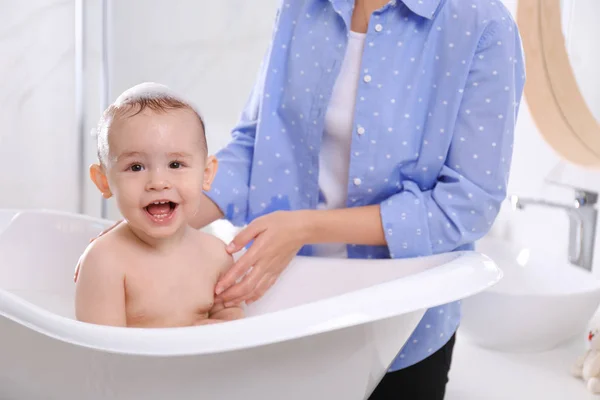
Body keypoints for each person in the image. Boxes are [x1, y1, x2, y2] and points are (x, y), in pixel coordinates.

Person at [79, 0, 525, 397]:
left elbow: (467, 204)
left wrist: (304, 226)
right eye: (135, 167)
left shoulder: (479, 24)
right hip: (290, 307)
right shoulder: (303, 8)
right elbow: (255, 147)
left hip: (401, 322)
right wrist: (142, 229)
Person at [74, 82, 245, 328]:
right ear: (104, 181)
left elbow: (233, 321)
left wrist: (220, 326)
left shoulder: (217, 256)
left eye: (175, 164)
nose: (158, 182)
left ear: (207, 174)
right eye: (136, 167)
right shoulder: (105, 262)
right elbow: (102, 355)